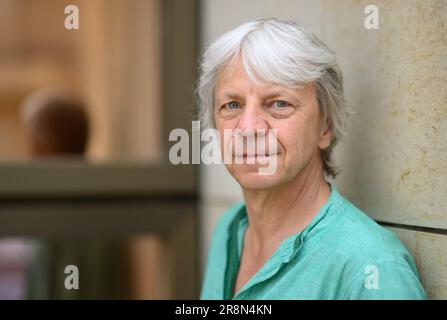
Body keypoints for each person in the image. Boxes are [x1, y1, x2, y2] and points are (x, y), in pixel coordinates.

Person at [198, 18, 426, 299]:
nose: (248, 128)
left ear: (325, 127)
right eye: (232, 105)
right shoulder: (230, 230)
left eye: (279, 104)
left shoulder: (372, 268)